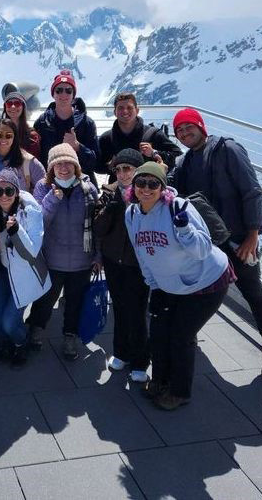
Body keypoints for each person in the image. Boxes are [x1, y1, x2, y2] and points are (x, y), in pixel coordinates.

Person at [169, 107, 262, 380]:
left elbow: (252, 191)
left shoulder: (228, 150)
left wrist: (253, 234)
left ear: (201, 126)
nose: (185, 133)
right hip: (207, 242)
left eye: (189, 127)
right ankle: (188, 335)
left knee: (254, 295)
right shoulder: (185, 162)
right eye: (180, 131)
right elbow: (174, 189)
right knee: (193, 291)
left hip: (238, 241)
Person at [125, 161, 234, 410]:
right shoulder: (131, 213)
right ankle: (160, 381)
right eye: (141, 183)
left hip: (206, 282)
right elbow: (141, 252)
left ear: (162, 187)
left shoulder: (179, 207)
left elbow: (203, 250)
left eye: (153, 184)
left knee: (181, 336)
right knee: (159, 334)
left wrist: (184, 230)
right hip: (167, 285)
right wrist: (152, 283)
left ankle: (179, 391)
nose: (146, 188)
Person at [27, 143, 99, 360]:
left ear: (76, 166)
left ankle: (70, 337)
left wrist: (97, 256)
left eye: (68, 162)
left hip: (82, 260)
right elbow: (39, 222)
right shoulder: (43, 187)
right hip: (52, 258)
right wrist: (53, 199)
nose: (64, 167)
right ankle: (37, 330)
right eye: (58, 164)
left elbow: (97, 227)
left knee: (75, 302)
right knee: (45, 300)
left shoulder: (89, 189)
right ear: (51, 167)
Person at [0, 168, 50, 367]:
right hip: (2, 270)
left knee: (9, 322)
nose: (3, 196)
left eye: (9, 191)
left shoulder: (30, 212)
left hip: (25, 274)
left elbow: (32, 251)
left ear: (16, 192)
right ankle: (7, 342)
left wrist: (16, 230)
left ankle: (20, 342)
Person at [93, 148, 150, 383]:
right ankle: (121, 352)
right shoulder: (109, 192)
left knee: (137, 312)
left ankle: (140, 361)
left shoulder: (147, 192)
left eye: (127, 168)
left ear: (137, 170)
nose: (123, 174)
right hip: (114, 260)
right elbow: (98, 227)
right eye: (118, 169)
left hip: (138, 264)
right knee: (119, 307)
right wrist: (110, 208)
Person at [34, 70, 99, 181]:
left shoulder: (87, 123)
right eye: (59, 90)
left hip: (81, 183)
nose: (63, 94)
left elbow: (96, 162)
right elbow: (36, 157)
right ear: (53, 94)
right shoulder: (42, 122)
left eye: (68, 91)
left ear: (73, 95)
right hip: (51, 183)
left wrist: (78, 147)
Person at [97, 92, 181, 176]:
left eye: (129, 107)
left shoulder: (153, 134)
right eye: (120, 108)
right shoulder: (107, 138)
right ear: (115, 112)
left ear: (137, 110)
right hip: (117, 187)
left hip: (148, 186)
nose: (125, 111)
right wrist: (110, 166)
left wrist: (154, 153)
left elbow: (178, 156)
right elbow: (96, 165)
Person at [0, 118, 46, 193]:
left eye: (8, 136)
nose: (3, 139)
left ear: (15, 137)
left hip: (19, 203)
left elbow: (44, 188)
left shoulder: (28, 161)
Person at [0, 90, 41, 158]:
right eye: (9, 104)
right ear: (5, 107)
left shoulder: (32, 136)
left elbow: (34, 161)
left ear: (23, 107)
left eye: (17, 103)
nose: (13, 106)